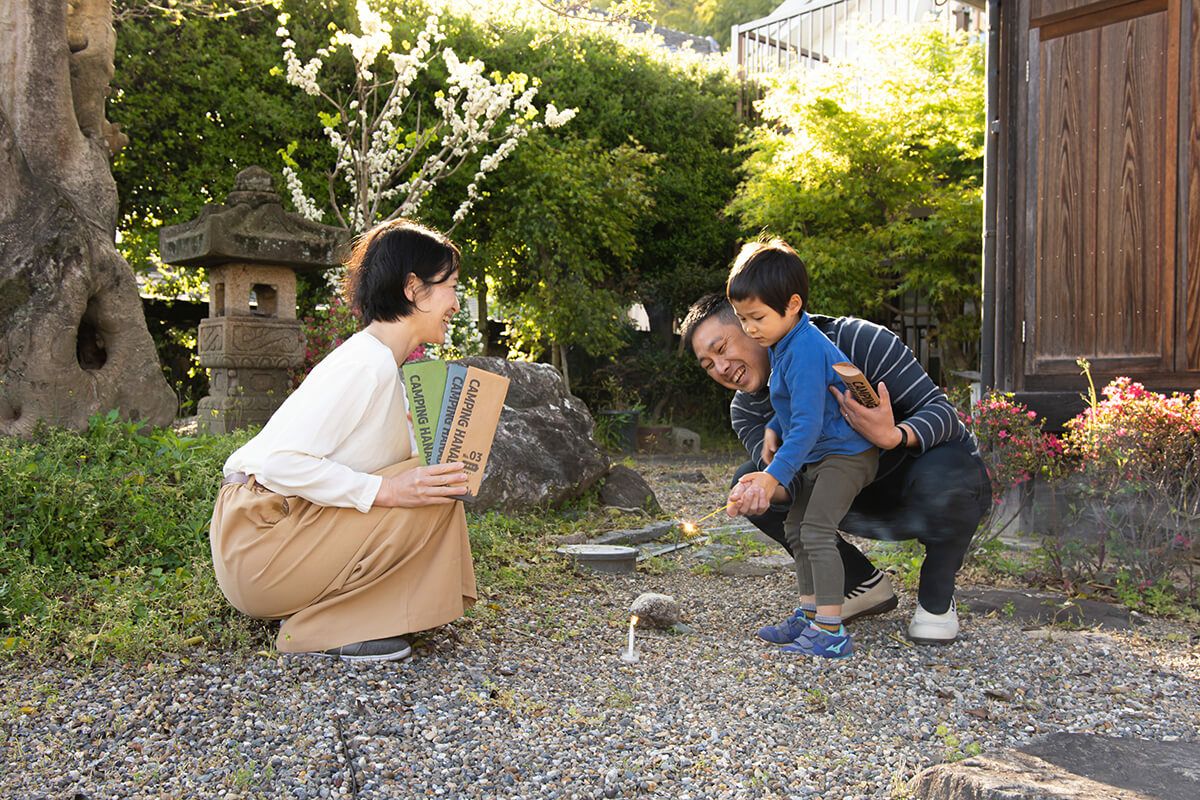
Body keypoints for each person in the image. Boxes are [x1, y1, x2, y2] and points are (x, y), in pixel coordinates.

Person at [209, 219, 477, 662]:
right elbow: (279, 461)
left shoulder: (382, 365)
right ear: (413, 288)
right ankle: (319, 628)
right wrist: (387, 490)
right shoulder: (364, 364)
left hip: (276, 536)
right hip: (259, 544)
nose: (455, 301)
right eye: (449, 285)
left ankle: (345, 614)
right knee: (426, 486)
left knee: (434, 477)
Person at [682, 263, 991, 647]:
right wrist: (761, 490)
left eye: (722, 347)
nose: (722, 368)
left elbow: (944, 414)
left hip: (910, 480)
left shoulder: (854, 342)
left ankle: (936, 598)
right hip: (841, 490)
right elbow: (789, 481)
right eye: (708, 364)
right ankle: (858, 585)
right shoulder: (747, 409)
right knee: (753, 478)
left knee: (952, 470)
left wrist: (893, 435)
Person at [724, 239, 880, 658]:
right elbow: (801, 401)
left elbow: (810, 424)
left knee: (815, 530)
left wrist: (775, 474)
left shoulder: (806, 346)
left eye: (757, 317)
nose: (750, 330)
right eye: (743, 320)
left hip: (845, 455)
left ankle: (830, 630)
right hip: (822, 453)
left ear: (792, 304)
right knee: (794, 528)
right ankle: (809, 615)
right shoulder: (784, 344)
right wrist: (774, 425)